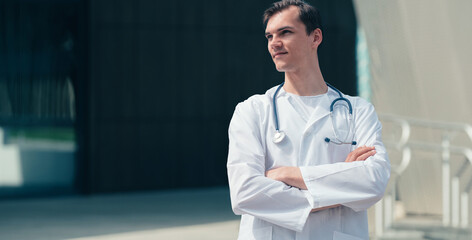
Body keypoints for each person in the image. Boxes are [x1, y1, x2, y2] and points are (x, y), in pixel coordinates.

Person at [226, 0, 390, 239]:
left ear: (315, 38)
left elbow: (373, 182)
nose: (275, 43)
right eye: (269, 36)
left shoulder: (358, 111)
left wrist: (287, 175)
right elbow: (245, 192)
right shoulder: (252, 111)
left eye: (285, 32)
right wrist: (340, 183)